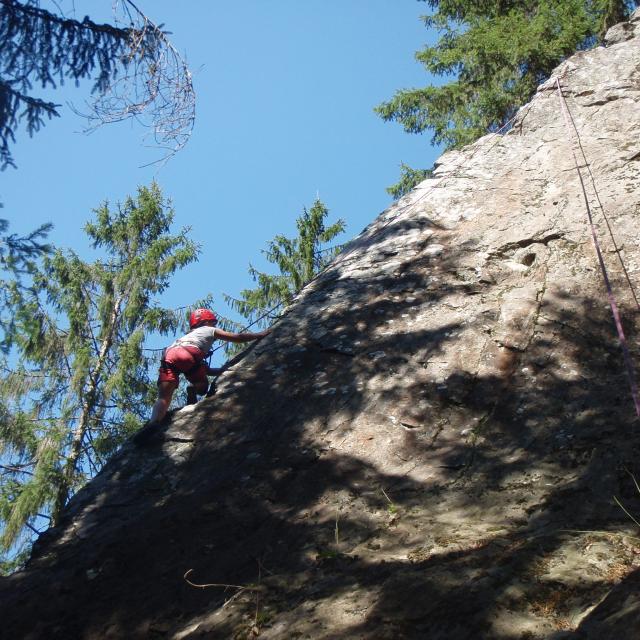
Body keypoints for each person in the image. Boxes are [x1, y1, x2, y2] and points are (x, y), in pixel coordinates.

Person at [148, 308, 268, 425]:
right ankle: (194, 389)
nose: (214, 325)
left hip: (169, 354)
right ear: (206, 322)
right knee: (203, 387)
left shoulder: (186, 336)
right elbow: (237, 338)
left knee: (163, 397)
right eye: (213, 322)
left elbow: (207, 370)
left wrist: (221, 370)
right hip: (189, 353)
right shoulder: (209, 329)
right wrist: (259, 335)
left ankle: (153, 423)